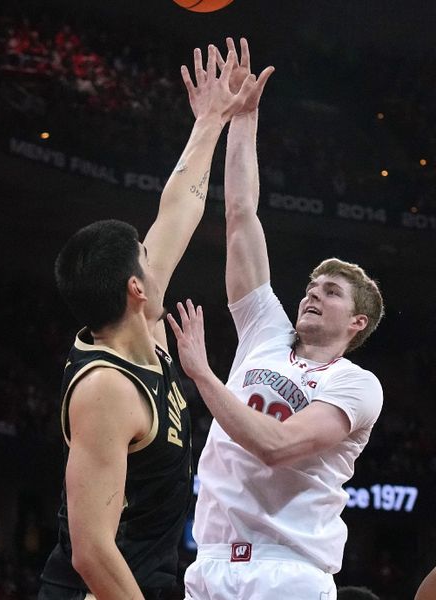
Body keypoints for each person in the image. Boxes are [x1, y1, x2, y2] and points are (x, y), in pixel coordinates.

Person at [38, 46, 265, 600]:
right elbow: (92, 552)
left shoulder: (140, 319)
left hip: (147, 580)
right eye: (145, 253)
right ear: (136, 288)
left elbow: (179, 210)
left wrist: (210, 122)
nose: (153, 249)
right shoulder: (107, 390)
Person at [166, 38, 385, 599]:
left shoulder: (355, 385)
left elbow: (277, 446)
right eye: (311, 286)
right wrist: (245, 116)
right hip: (211, 559)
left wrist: (205, 377)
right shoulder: (265, 329)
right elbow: (241, 215)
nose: (312, 295)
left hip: (286, 571)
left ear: (356, 322)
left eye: (331, 292)